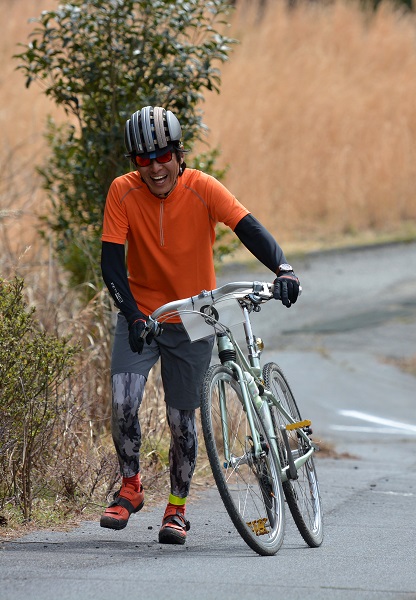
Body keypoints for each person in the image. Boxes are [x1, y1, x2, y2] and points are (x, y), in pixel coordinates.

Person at [99, 106, 301, 544]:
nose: (155, 168)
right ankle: (130, 487)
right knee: (123, 401)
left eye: (163, 156)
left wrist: (283, 268)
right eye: (143, 160)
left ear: (178, 152)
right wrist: (133, 314)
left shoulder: (203, 188)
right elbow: (111, 264)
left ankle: (176, 510)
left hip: (193, 314)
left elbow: (248, 228)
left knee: (181, 419)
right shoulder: (122, 192)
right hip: (145, 313)